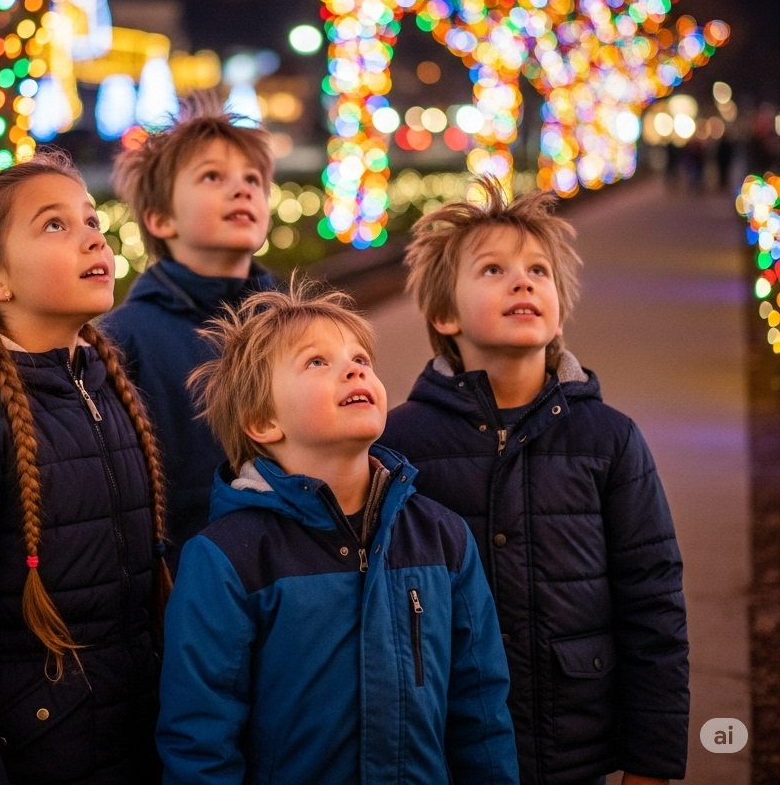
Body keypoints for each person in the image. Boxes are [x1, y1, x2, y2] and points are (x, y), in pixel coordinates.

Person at [379, 179, 689, 785]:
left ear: (558, 309)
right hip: (445, 745)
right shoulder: (399, 445)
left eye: (538, 271)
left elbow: (652, 599)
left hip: (574, 746)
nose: (522, 281)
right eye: (492, 270)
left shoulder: (608, 439)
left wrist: (652, 762)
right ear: (445, 314)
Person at [157, 284, 519, 785]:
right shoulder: (227, 559)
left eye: (360, 359)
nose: (355, 370)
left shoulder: (443, 537)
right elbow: (199, 741)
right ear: (263, 421)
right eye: (316, 363)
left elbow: (480, 712)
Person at [0, 152, 171, 785]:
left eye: (91, 219)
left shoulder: (104, 389)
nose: (95, 235)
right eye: (54, 225)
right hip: (33, 755)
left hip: (128, 742)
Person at [101, 95, 276, 573]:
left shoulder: (295, 326)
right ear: (161, 219)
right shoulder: (120, 341)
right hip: (187, 582)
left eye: (253, 179)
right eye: (212, 177)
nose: (241, 189)